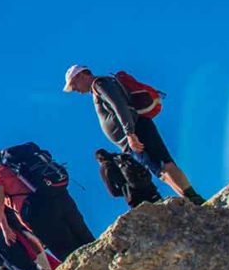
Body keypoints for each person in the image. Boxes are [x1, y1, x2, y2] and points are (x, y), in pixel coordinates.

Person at [64, 64, 207, 205]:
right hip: (136, 130)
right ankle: (191, 199)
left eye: (73, 84)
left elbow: (119, 105)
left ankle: (193, 199)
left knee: (162, 167)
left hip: (136, 131)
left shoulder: (100, 84)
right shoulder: (101, 86)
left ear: (81, 75)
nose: (75, 89)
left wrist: (130, 134)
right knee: (161, 168)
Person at [0, 146, 95, 262]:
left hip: (39, 214)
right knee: (88, 240)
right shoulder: (16, 162)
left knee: (70, 254)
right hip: (60, 195)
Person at [96, 148, 162, 208]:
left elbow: (113, 192)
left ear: (99, 160)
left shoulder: (104, 168)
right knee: (162, 209)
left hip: (133, 197)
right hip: (149, 188)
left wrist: (125, 191)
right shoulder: (122, 156)